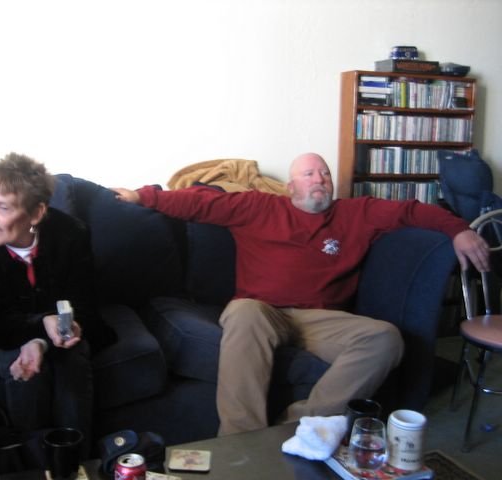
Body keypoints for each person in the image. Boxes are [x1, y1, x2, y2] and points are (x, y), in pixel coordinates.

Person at [112, 152, 490, 436]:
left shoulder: (356, 213)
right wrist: (142, 196)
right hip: (261, 310)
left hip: (321, 319)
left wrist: (458, 230)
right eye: (309, 174)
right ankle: (241, 440)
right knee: (244, 312)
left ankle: (297, 427)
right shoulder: (258, 206)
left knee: (385, 337)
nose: (319, 179)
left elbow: (412, 211)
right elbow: (199, 202)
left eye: (324, 173)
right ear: (291, 187)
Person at [0, 152, 115, 453]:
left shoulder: (72, 235)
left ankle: (75, 464)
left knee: (72, 357)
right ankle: (33, 465)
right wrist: (39, 327)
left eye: (3, 207)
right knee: (30, 371)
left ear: (37, 213)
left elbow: (84, 306)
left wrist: (43, 340)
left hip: (57, 337)